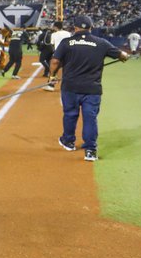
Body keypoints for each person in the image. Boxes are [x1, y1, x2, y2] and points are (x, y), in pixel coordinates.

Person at [48, 15, 129, 162]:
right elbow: (122, 55)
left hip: (70, 87)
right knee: (90, 118)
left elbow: (54, 61)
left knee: (70, 114)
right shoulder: (102, 43)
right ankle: (91, 150)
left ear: (75, 28)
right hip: (92, 88)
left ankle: (68, 141)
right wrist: (125, 56)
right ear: (91, 27)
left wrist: (52, 76)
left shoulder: (67, 42)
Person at [43, 20, 72, 90]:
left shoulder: (54, 34)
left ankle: (51, 85)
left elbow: (52, 44)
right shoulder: (68, 33)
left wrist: (53, 52)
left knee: (53, 70)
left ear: (56, 27)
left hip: (58, 53)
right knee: (68, 71)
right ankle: (69, 87)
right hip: (69, 54)